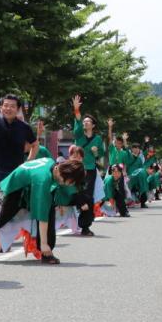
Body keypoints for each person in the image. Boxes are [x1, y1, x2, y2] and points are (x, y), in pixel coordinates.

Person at [0, 156, 84, 263]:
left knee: (50, 211)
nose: (70, 185)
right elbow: (42, 214)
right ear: (64, 175)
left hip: (26, 188)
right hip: (12, 191)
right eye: (71, 182)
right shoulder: (43, 180)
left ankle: (47, 254)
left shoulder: (53, 165)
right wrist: (44, 244)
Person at [71, 95, 104, 236]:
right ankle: (72, 219)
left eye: (88, 121)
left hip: (90, 169)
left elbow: (100, 154)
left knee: (88, 197)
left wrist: (96, 153)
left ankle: (85, 226)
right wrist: (77, 109)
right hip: (77, 168)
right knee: (78, 194)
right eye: (84, 122)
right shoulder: (79, 136)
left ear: (93, 125)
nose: (85, 123)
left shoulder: (97, 139)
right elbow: (77, 124)